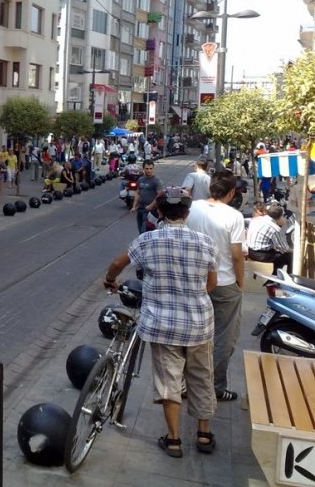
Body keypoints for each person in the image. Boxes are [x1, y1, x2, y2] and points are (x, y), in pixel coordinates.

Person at [104, 188, 218, 458]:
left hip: (162, 325)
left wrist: (110, 280)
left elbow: (118, 262)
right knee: (202, 377)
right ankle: (203, 434)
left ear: (160, 212)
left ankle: (174, 439)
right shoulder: (205, 242)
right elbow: (211, 283)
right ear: (187, 214)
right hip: (199, 324)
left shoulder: (147, 241)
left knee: (169, 381)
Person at [185, 169, 246, 402]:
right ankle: (215, 387)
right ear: (231, 192)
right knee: (223, 337)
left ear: (211, 188)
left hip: (195, 281)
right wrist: (240, 282)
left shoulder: (192, 208)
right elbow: (237, 255)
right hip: (223, 283)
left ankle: (184, 384)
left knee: (193, 333)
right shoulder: (234, 216)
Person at [246, 204, 293, 275]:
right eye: (283, 216)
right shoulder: (274, 228)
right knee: (289, 256)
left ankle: (274, 276)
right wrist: (295, 251)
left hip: (250, 251)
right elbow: (284, 249)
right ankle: (279, 278)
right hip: (261, 255)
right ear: (280, 217)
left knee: (279, 254)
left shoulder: (257, 219)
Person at [131, 159, 163, 234]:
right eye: (147, 169)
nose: (149, 171)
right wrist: (134, 206)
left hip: (150, 211)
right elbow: (138, 192)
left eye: (151, 169)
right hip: (140, 209)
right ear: (143, 169)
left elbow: (160, 195)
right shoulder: (140, 179)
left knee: (144, 232)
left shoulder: (156, 181)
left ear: (153, 168)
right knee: (140, 231)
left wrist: (150, 206)